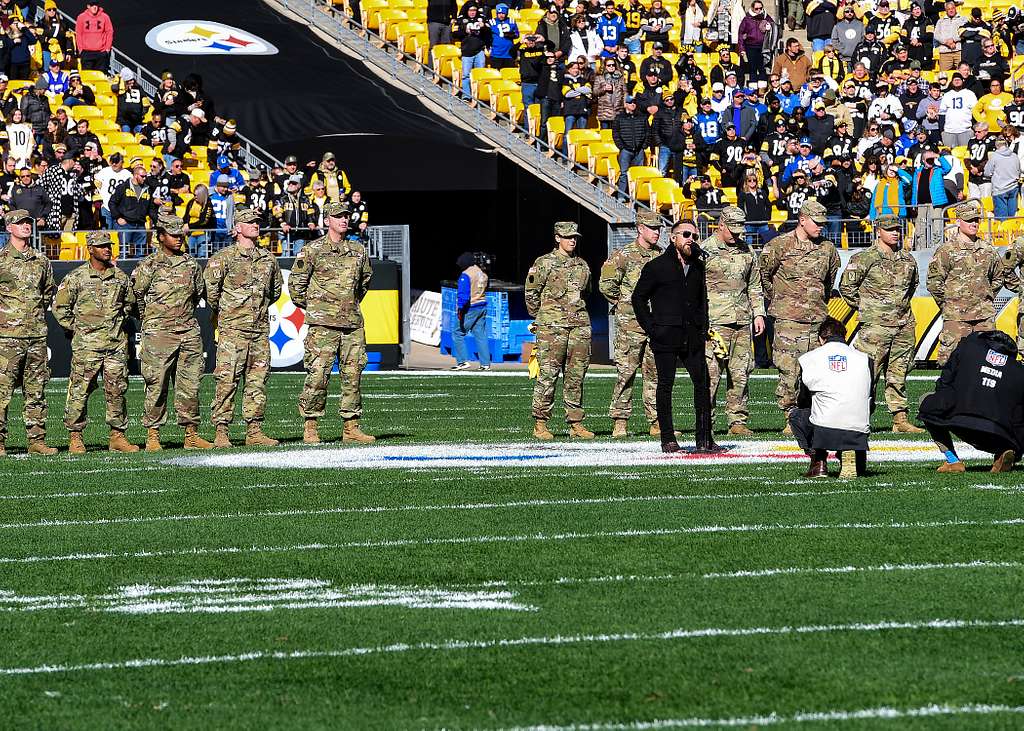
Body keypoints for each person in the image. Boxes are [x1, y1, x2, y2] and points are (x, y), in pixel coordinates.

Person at [290, 201, 376, 445]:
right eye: (338, 216)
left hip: (351, 324)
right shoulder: (312, 250)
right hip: (322, 325)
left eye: (346, 216)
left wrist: (346, 304)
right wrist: (318, 307)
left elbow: (364, 283)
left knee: (353, 376)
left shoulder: (358, 251)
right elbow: (296, 286)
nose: (344, 220)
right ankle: (311, 427)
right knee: (318, 376)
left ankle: (351, 427)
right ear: (327, 220)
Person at [631, 218, 718, 453]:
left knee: (703, 383)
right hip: (665, 334)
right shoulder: (657, 266)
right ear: (673, 237)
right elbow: (638, 298)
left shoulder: (699, 267)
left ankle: (704, 439)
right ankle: (668, 439)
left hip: (693, 336)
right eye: (687, 235)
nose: (692, 240)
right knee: (665, 385)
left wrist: (703, 328)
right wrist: (652, 327)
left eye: (695, 236)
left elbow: (701, 302)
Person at [131, 213, 213, 452]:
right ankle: (153, 435)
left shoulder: (190, 264)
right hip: (159, 333)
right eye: (173, 235)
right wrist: (150, 319)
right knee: (156, 384)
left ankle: (191, 434)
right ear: (161, 237)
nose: (179, 239)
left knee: (190, 385)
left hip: (188, 331)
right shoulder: (149, 265)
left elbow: (198, 294)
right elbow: (136, 296)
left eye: (181, 235)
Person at [204, 207, 283, 449]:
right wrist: (231, 313)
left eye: (257, 222)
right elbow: (212, 293)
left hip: (259, 331)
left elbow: (275, 291)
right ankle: (221, 431)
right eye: (250, 222)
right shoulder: (223, 258)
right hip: (233, 331)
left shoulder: (268, 259)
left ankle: (254, 430)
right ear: (238, 227)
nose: (255, 225)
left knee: (257, 382)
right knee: (227, 381)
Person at [53, 231, 138, 455]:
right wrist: (78, 330)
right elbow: (60, 309)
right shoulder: (76, 278)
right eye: (101, 246)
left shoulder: (120, 277)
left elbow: (129, 306)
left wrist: (116, 327)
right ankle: (75, 437)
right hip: (87, 347)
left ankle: (117, 436)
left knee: (117, 391)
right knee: (79, 392)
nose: (107, 249)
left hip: (115, 347)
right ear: (90, 249)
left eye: (108, 245)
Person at [839, 213, 924, 434]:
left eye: (898, 229)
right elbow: (847, 288)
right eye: (890, 229)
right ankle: (860, 417)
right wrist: (868, 309)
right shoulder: (864, 258)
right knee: (868, 375)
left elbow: (912, 286)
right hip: (875, 327)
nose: (895, 232)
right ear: (879, 231)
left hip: (903, 325)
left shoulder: (907, 259)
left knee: (899, 373)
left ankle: (900, 419)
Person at [760, 199, 841, 433]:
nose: (821, 227)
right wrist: (781, 301)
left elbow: (828, 281)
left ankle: (815, 415)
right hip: (788, 320)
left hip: (816, 320)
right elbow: (765, 276)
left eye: (823, 223)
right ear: (802, 219)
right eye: (816, 222)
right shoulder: (779, 245)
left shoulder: (827, 249)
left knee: (817, 374)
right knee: (789, 372)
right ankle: (790, 417)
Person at [919, 330, 1024, 473]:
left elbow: (943, 384)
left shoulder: (967, 348)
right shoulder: (1019, 370)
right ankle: (1004, 452)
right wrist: (1018, 448)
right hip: (999, 433)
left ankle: (952, 460)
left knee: (925, 399)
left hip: (959, 422)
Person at [525, 221, 594, 440]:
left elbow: (587, 293)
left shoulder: (582, 265)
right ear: (557, 238)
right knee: (548, 375)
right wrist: (543, 317)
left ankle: (576, 423)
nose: (572, 240)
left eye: (575, 237)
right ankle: (541, 423)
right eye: (567, 237)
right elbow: (531, 294)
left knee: (576, 376)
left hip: (579, 327)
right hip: (552, 328)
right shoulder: (544, 263)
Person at [702, 206, 766, 437]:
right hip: (715, 322)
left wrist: (759, 313)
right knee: (711, 374)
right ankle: (705, 421)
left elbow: (754, 285)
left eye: (740, 229)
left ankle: (737, 421)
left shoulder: (747, 250)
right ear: (721, 225)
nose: (737, 234)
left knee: (740, 374)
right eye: (733, 229)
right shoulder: (704, 251)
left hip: (741, 321)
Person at [0, 209, 56, 456]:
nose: (25, 226)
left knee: (36, 391)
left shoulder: (41, 260)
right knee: (2, 393)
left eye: (28, 222)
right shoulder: (1, 260)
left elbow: (47, 293)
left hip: (36, 336)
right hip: (7, 338)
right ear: (9, 227)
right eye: (20, 222)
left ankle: (36, 440)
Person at [600, 210, 661, 438]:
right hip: (630, 325)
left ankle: (656, 421)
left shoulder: (661, 255)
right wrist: (624, 304)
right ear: (640, 229)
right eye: (652, 228)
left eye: (658, 229)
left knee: (654, 374)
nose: (656, 233)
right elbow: (606, 285)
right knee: (626, 373)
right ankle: (620, 421)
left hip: (654, 325)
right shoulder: (623, 255)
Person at [789, 317, 873, 479]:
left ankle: (818, 461)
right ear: (845, 337)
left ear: (821, 339)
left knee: (796, 416)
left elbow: (803, 400)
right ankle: (856, 456)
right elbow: (870, 397)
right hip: (857, 429)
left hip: (824, 428)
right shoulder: (865, 359)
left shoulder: (809, 358)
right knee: (859, 406)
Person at [926, 200, 1007, 365]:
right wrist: (948, 304)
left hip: (984, 318)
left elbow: (998, 276)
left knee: (986, 364)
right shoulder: (947, 250)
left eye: (976, 220)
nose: (974, 223)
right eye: (969, 220)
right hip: (956, 318)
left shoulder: (988, 249)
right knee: (952, 364)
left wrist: (985, 297)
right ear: (958, 222)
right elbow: (934, 282)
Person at [451, 251, 491, 371]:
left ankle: (462, 361)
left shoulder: (466, 275)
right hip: (482, 306)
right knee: (481, 336)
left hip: (470, 308)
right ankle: (485, 364)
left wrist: (460, 310)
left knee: (458, 333)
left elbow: (463, 295)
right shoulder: (483, 274)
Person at [109, 158, 155, 258]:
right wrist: (118, 218)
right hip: (126, 225)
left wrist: (157, 220)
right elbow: (112, 203)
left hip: (140, 225)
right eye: (142, 176)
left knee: (140, 254)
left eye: (145, 176)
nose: (144, 178)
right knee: (124, 253)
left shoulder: (148, 189)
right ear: (135, 175)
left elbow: (151, 209)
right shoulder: (123, 187)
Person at [984, 138, 1021, 220]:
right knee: (1012, 217)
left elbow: (987, 172)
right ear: (1006, 145)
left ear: (997, 146)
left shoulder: (994, 156)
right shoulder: (1014, 156)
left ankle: (1002, 232)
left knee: (1002, 219)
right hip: (1013, 187)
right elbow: (1018, 171)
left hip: (999, 189)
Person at [75, 1, 113, 72]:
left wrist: (107, 48)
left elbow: (109, 32)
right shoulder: (81, 17)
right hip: (86, 53)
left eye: (96, 5)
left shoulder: (105, 17)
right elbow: (78, 33)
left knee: (101, 77)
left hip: (101, 53)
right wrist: (80, 49)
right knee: (87, 77)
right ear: (88, 6)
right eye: (92, 5)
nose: (94, 7)